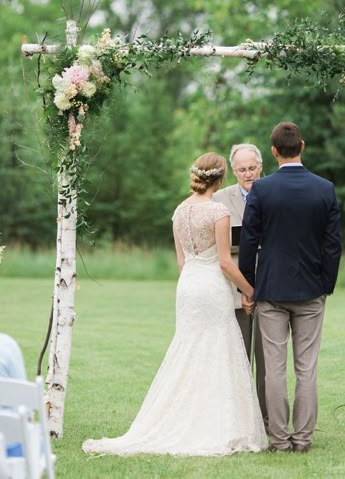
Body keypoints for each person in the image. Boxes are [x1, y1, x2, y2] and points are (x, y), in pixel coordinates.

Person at [83, 153, 267, 457]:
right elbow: (224, 262)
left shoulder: (179, 211)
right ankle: (218, 424)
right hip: (212, 287)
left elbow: (182, 262)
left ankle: (188, 417)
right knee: (218, 351)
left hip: (188, 287)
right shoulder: (218, 211)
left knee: (189, 350)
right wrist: (249, 290)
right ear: (221, 178)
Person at [239, 122, 342, 453]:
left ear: (273, 152)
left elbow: (248, 242)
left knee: (274, 370)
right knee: (306, 369)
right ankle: (303, 440)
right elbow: (333, 245)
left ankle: (280, 439)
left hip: (271, 291)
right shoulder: (324, 188)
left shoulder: (262, 190)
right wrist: (325, 284)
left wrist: (250, 286)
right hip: (312, 290)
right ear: (302, 146)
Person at [213, 143, 267, 427]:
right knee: (237, 357)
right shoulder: (219, 199)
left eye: (252, 168)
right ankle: (237, 420)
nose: (248, 174)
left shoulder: (273, 192)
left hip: (270, 285)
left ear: (261, 167)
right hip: (234, 290)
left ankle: (267, 419)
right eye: (242, 169)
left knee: (268, 363)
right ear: (233, 171)